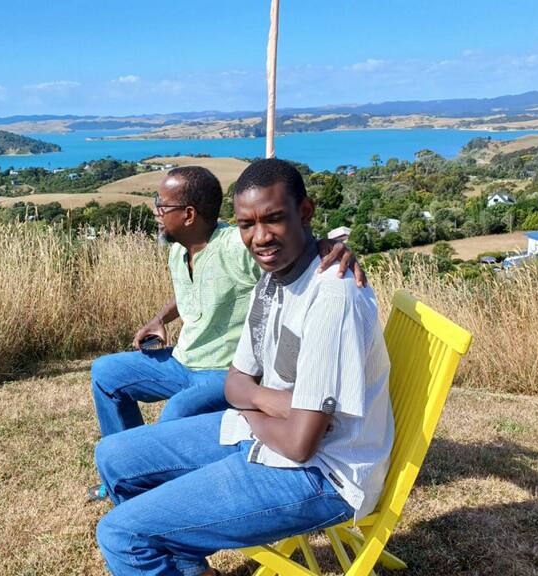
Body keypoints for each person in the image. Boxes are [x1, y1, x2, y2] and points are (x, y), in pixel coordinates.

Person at [93, 158, 394, 576]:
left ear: (305, 213)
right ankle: (182, 558)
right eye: (247, 224)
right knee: (113, 455)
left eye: (274, 219)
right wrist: (263, 404)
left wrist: (251, 406)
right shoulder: (271, 280)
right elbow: (236, 384)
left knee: (122, 534)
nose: (260, 237)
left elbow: (299, 443)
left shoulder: (331, 299)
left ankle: (159, 543)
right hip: (262, 435)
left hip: (321, 476)